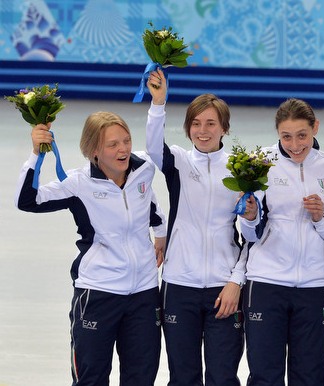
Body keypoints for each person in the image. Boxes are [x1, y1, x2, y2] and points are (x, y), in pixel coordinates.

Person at [15, 112, 167, 386]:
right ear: (94, 150)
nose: (123, 149)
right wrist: (37, 154)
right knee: (91, 379)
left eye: (126, 140)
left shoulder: (144, 168)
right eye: (112, 144)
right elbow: (27, 200)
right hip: (97, 293)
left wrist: (161, 233)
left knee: (141, 378)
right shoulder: (78, 184)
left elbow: (148, 203)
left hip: (144, 293)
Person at [145, 68, 246, 386]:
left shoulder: (241, 168)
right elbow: (152, 148)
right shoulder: (178, 161)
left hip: (223, 288)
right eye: (196, 123)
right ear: (188, 128)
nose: (203, 131)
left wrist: (236, 282)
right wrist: (158, 103)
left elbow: (255, 234)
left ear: (224, 128)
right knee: (183, 377)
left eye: (211, 123)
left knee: (222, 377)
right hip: (178, 287)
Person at [239, 98, 324, 386]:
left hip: (314, 285)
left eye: (302, 135)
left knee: (310, 378)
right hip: (266, 283)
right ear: (277, 133)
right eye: (286, 136)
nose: (295, 144)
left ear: (315, 128)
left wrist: (321, 218)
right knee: (264, 377)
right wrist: (249, 218)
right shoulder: (259, 163)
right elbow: (250, 235)